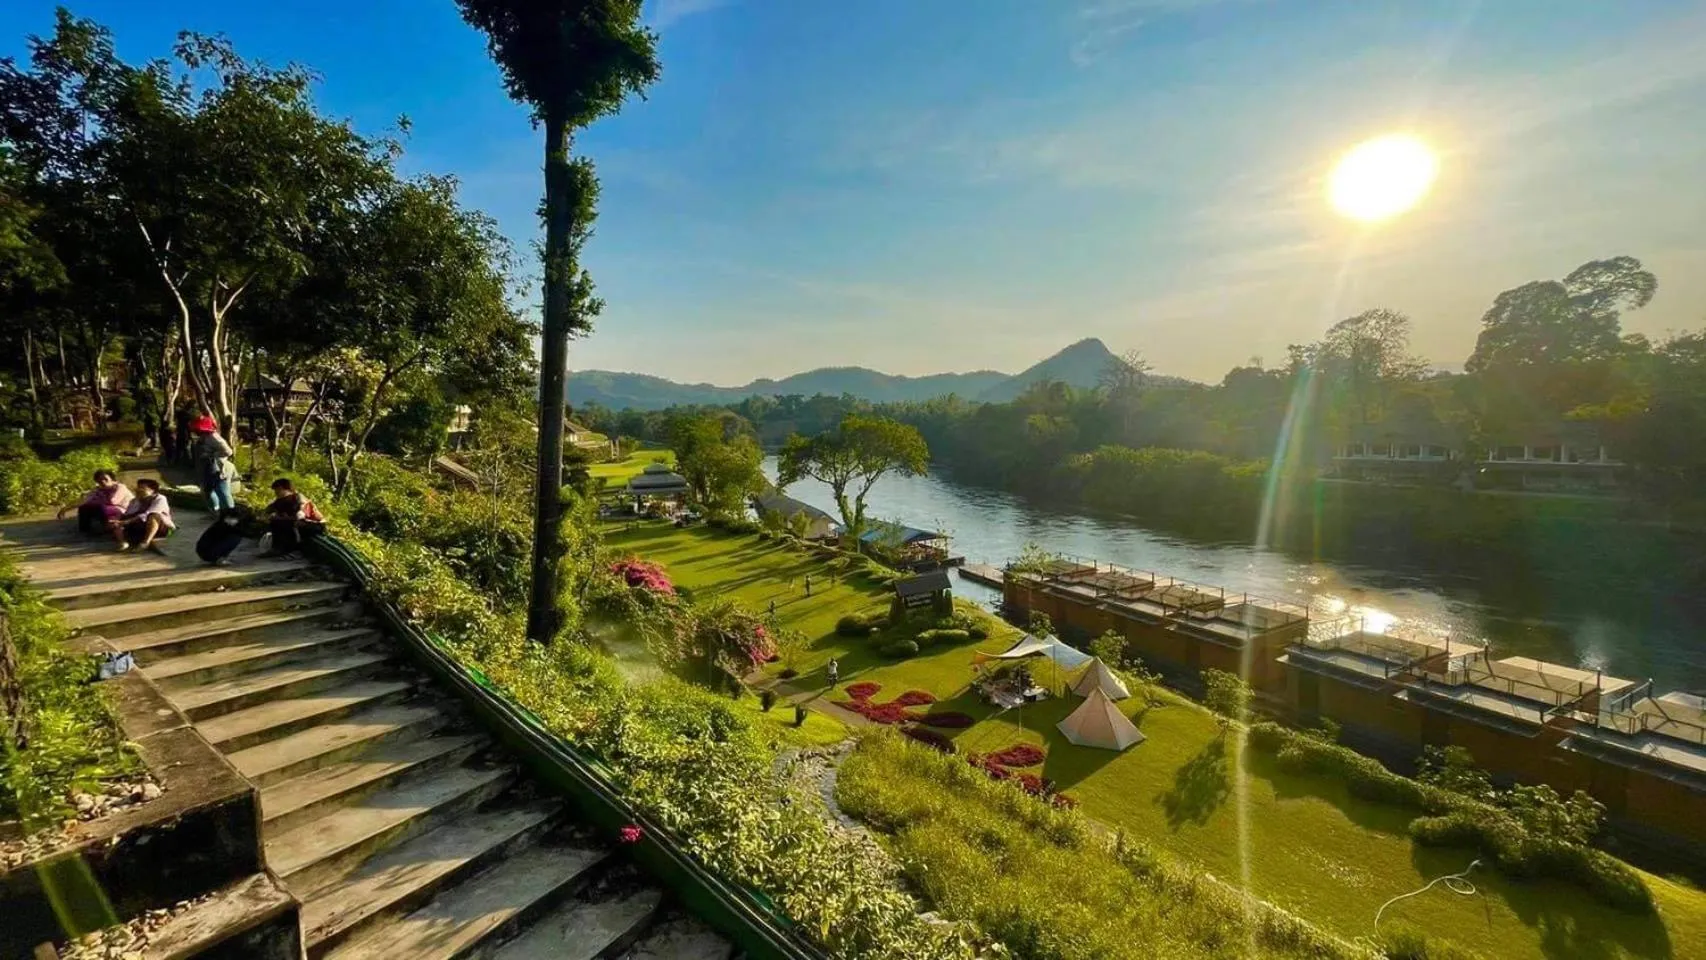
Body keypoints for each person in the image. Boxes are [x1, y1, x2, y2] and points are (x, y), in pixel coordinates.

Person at [261, 478, 325, 558]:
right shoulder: (279, 501)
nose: (276, 492)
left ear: (284, 488)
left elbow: (300, 516)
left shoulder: (298, 498)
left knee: (285, 524)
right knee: (276, 522)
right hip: (297, 522)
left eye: (278, 489)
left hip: (313, 524)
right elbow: (267, 510)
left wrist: (280, 518)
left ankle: (288, 549)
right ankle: (278, 548)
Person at [57, 470, 133, 534]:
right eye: (100, 480)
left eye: (105, 479)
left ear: (112, 479)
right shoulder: (98, 489)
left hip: (123, 510)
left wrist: (94, 500)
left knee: (99, 506)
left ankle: (108, 527)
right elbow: (84, 501)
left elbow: (113, 501)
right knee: (84, 507)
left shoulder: (120, 487)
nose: (103, 482)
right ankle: (85, 530)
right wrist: (65, 509)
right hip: (107, 508)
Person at [112, 478, 174, 553]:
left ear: (152, 490)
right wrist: (119, 521)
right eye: (138, 488)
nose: (138, 490)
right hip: (141, 527)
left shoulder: (160, 498)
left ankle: (145, 543)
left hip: (160, 528)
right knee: (116, 518)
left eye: (142, 488)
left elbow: (148, 513)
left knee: (153, 515)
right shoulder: (134, 500)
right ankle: (123, 542)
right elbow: (128, 514)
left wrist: (128, 521)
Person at [191, 415, 237, 511]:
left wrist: (211, 455)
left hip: (218, 470)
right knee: (208, 493)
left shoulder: (213, 437)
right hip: (205, 470)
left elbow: (228, 451)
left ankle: (232, 515)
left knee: (223, 493)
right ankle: (218, 512)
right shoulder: (201, 438)